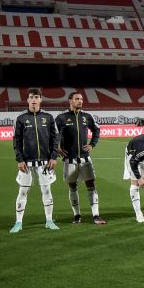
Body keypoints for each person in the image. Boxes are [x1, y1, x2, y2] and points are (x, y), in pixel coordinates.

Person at [10, 88, 60, 233]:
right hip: (27, 162)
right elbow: (16, 141)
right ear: (27, 100)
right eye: (31, 97)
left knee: (46, 189)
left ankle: (49, 220)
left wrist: (53, 157)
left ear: (40, 99)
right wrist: (19, 159)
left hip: (45, 161)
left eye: (36, 97)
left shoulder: (48, 117)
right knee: (23, 191)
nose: (33, 100)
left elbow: (55, 139)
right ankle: (18, 222)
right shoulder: (21, 118)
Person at [55, 91, 105, 225]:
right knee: (72, 186)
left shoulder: (87, 117)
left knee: (91, 185)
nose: (80, 101)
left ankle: (96, 215)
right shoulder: (61, 118)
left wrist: (92, 144)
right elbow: (55, 134)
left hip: (85, 159)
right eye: (77, 99)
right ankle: (76, 215)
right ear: (70, 101)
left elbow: (96, 130)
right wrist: (56, 147)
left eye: (81, 99)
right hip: (69, 159)